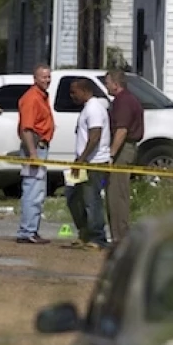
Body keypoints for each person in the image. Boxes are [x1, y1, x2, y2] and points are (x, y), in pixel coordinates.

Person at [66, 79, 112, 250]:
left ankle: (98, 237)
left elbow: (95, 136)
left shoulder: (94, 109)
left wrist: (82, 159)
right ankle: (84, 233)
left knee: (91, 200)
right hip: (84, 162)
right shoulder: (88, 108)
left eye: (74, 92)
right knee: (73, 197)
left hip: (94, 163)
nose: (72, 96)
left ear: (85, 91)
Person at [104, 68, 144, 245]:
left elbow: (121, 130)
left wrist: (111, 154)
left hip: (123, 149)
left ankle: (120, 236)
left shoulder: (123, 102)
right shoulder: (127, 99)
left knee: (117, 193)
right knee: (117, 191)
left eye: (107, 83)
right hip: (125, 148)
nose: (106, 86)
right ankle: (118, 234)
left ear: (115, 84)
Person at [16, 64, 55, 244]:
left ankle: (32, 229)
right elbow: (27, 129)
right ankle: (27, 231)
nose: (47, 80)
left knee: (38, 190)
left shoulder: (42, 96)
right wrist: (32, 153)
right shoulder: (32, 98)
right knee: (32, 190)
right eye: (43, 77)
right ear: (35, 78)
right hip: (35, 148)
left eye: (48, 77)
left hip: (40, 147)